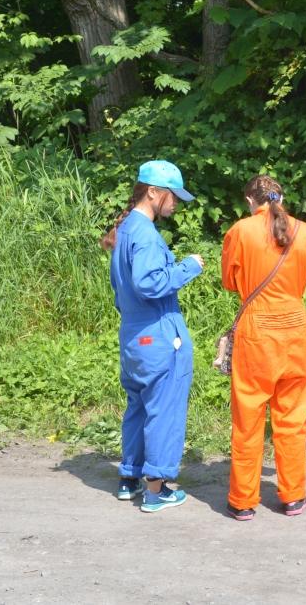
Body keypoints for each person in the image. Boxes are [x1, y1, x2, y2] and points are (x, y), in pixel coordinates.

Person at [221, 175, 306, 521]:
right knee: (292, 420)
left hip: (256, 334)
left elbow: (229, 281)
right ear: (282, 198)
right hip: (295, 333)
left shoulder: (241, 231)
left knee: (248, 420)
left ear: (251, 200)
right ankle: (293, 496)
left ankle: (242, 500)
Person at [101, 160, 204, 512]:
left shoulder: (126, 229)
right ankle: (157, 490)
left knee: (139, 408)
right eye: (172, 196)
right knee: (164, 410)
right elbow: (149, 283)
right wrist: (188, 267)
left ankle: (129, 478)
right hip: (158, 334)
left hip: (133, 335)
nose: (176, 203)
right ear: (153, 192)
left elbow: (121, 288)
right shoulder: (145, 234)